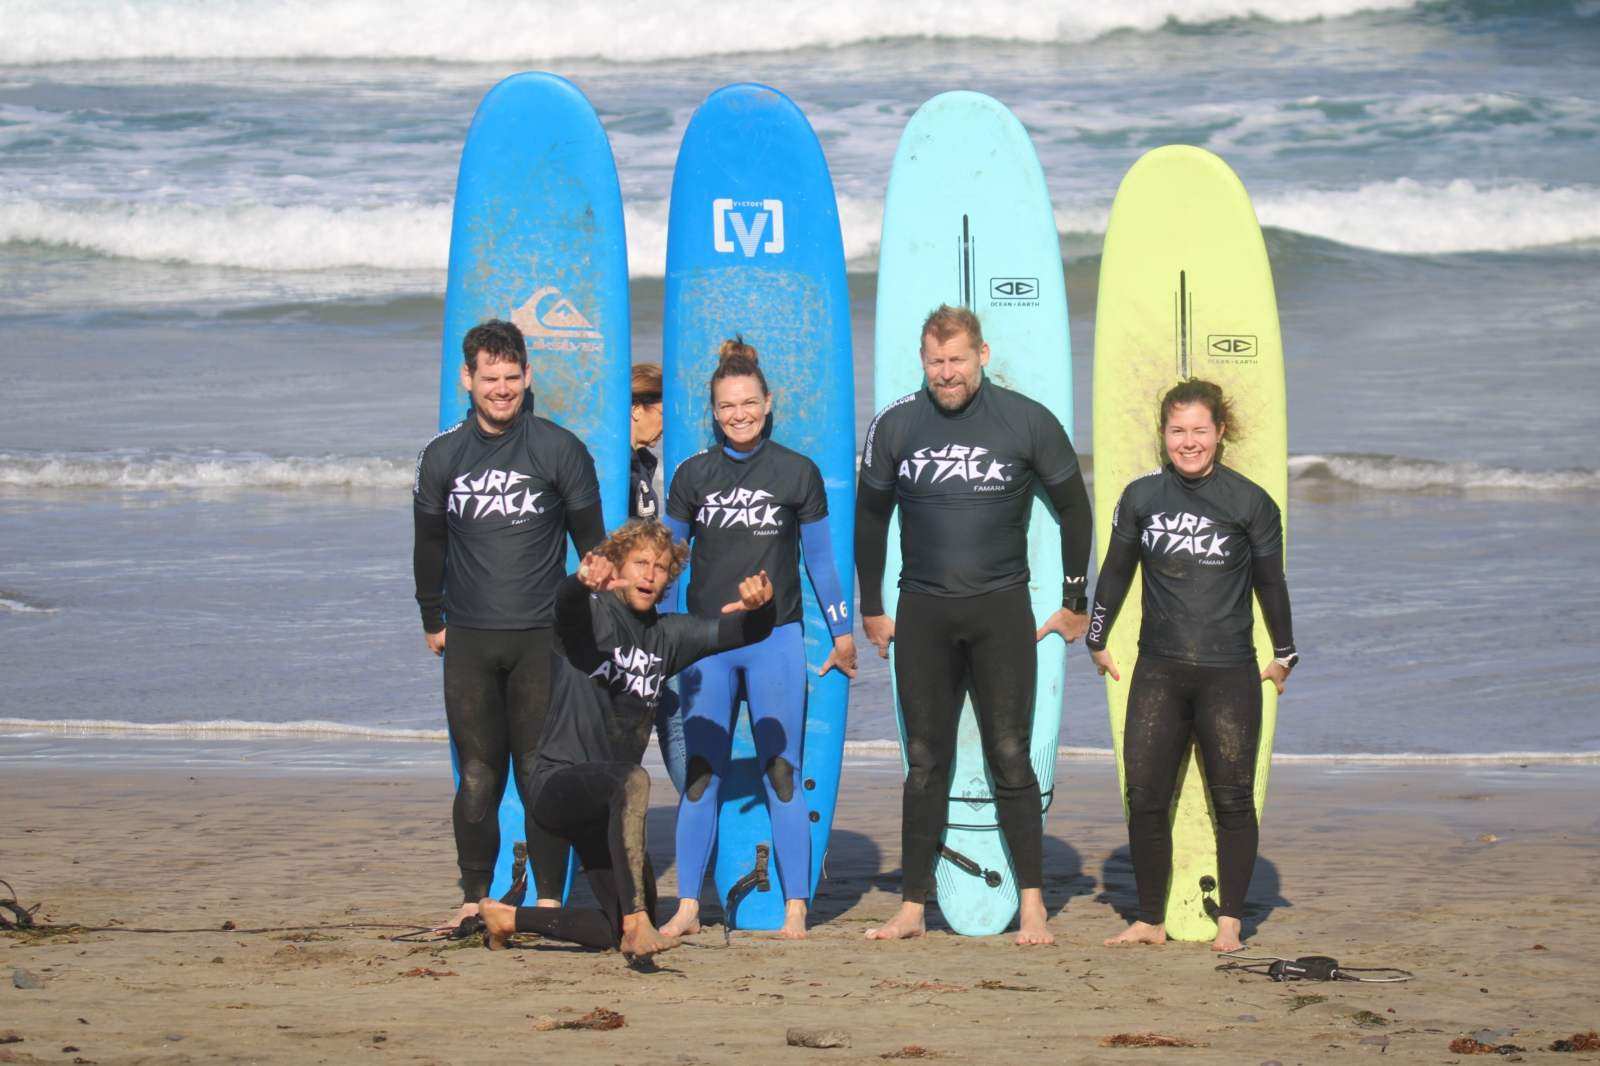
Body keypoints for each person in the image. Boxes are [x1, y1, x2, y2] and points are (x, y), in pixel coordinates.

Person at [854, 305, 1092, 946]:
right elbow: (870, 519)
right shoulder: (895, 424)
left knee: (1010, 756)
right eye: (936, 361)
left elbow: (1074, 508)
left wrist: (1076, 598)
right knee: (925, 761)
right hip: (923, 614)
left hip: (999, 612)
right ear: (923, 361)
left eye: (957, 359)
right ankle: (911, 907)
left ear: (981, 355)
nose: (947, 372)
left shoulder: (1026, 420)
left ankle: (1034, 904)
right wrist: (872, 607)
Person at [477, 519, 777, 960]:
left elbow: (743, 632)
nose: (650, 574)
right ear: (618, 567)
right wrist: (580, 583)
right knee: (633, 779)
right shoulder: (593, 617)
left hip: (606, 811)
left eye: (659, 567)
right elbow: (566, 607)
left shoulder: (668, 636)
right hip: (556, 785)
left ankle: (508, 918)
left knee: (613, 926)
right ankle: (638, 924)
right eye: (639, 563)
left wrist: (762, 607)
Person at [1086, 379, 1297, 953]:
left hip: (1228, 673)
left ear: (1220, 432)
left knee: (1231, 798)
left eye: (1199, 430)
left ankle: (1230, 921)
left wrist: (1285, 651)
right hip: (1159, 670)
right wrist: (1096, 637)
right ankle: (1149, 919)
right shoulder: (1141, 498)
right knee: (1146, 796)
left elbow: (1271, 583)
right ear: (1163, 436)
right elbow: (1115, 571)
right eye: (1178, 431)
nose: (1188, 442)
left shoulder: (1250, 502)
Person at [655, 339, 856, 941]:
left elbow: (821, 562)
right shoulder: (693, 475)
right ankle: (689, 906)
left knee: (780, 770)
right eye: (725, 406)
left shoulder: (797, 472)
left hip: (775, 641)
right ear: (712, 411)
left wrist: (842, 632)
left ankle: (797, 907)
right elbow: (665, 563)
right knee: (700, 774)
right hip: (709, 647)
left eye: (748, 403)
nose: (738, 414)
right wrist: (658, 636)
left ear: (769, 403)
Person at [413, 318, 606, 930]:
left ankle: (548, 899)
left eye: (512, 378)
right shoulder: (442, 455)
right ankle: (475, 895)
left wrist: (600, 624)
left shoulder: (559, 449)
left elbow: (594, 551)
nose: (502, 389)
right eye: (490, 378)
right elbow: (429, 546)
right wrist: (431, 615)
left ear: (529, 376)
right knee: (477, 773)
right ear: (467, 379)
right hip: (469, 636)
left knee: (539, 771)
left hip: (541, 639)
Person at [628, 361, 688, 794]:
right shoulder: (617, 472)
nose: (668, 424)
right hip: (629, 623)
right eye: (663, 411)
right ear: (636, 409)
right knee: (665, 720)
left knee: (673, 716)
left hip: (654, 616)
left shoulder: (641, 465)